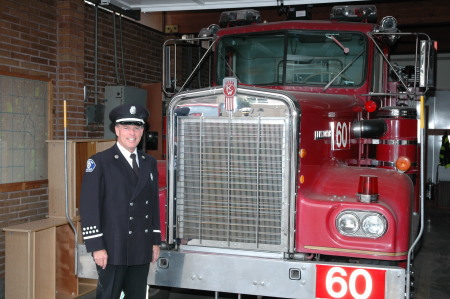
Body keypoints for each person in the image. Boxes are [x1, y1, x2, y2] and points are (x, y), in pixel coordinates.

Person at [80, 103, 161, 299]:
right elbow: (89, 207)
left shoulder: (149, 162)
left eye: (137, 127)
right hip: (112, 248)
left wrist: (155, 241)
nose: (132, 133)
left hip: (141, 246)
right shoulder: (99, 162)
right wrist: (96, 246)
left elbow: (153, 203)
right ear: (116, 130)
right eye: (126, 128)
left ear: (142, 131)